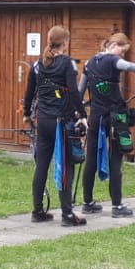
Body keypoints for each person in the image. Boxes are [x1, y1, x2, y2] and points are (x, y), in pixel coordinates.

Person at [79, 32, 135, 217]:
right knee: (115, 159)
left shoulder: (89, 63)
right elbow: (128, 66)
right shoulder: (113, 60)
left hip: (95, 118)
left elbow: (80, 90)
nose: (122, 56)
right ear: (113, 45)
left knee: (91, 159)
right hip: (116, 119)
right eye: (122, 51)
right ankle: (117, 206)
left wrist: (79, 111)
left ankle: (87, 203)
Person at [23, 25, 85, 226]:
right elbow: (74, 92)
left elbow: (29, 93)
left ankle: (37, 211)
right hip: (61, 122)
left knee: (42, 165)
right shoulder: (67, 63)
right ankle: (67, 215)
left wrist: (26, 114)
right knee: (65, 165)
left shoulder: (37, 65)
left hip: (43, 121)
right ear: (65, 42)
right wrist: (83, 115)